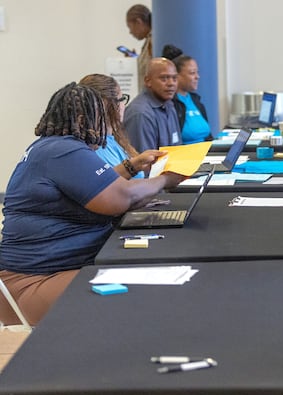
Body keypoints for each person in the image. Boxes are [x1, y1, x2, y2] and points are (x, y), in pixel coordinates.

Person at [0, 83, 186, 326]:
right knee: (144, 298)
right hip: (33, 281)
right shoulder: (63, 151)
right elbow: (121, 199)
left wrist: (132, 166)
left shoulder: (53, 147)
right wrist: (167, 179)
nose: (109, 126)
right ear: (81, 118)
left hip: (53, 269)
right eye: (103, 117)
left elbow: (100, 185)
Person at [79, 73, 164, 179]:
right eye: (122, 99)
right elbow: (106, 184)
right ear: (111, 105)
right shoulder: (94, 147)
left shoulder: (112, 139)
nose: (124, 105)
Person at [123, 57, 182, 153]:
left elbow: (177, 148)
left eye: (174, 78)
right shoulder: (140, 114)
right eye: (164, 78)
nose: (171, 83)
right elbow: (142, 162)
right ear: (147, 81)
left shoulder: (169, 105)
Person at [172, 54, 212, 143]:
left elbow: (209, 136)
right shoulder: (171, 104)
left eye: (197, 72)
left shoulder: (196, 101)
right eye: (192, 73)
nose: (197, 77)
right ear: (177, 76)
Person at [126, 4, 152, 91]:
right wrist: (135, 60)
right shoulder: (149, 40)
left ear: (138, 22)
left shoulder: (152, 41)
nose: (130, 32)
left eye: (130, 27)